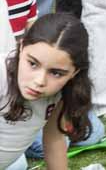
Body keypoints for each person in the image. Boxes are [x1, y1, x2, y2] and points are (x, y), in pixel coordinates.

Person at [1, 12, 94, 170]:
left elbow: (54, 140)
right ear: (21, 47)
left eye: (56, 73)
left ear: (74, 73)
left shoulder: (65, 91)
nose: (39, 81)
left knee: (94, 132)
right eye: (32, 64)